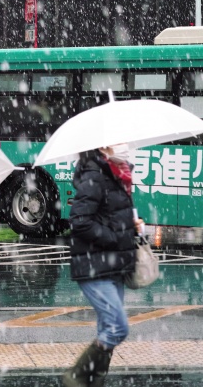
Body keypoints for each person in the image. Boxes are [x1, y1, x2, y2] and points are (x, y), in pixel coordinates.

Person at [62, 144, 142, 387]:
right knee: (118, 328)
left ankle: (93, 381)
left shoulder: (117, 174)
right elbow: (80, 221)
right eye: (120, 140)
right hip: (94, 265)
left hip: (112, 265)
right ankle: (76, 377)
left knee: (108, 328)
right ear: (104, 145)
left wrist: (131, 224)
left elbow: (108, 215)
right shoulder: (94, 175)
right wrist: (115, 236)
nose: (125, 146)